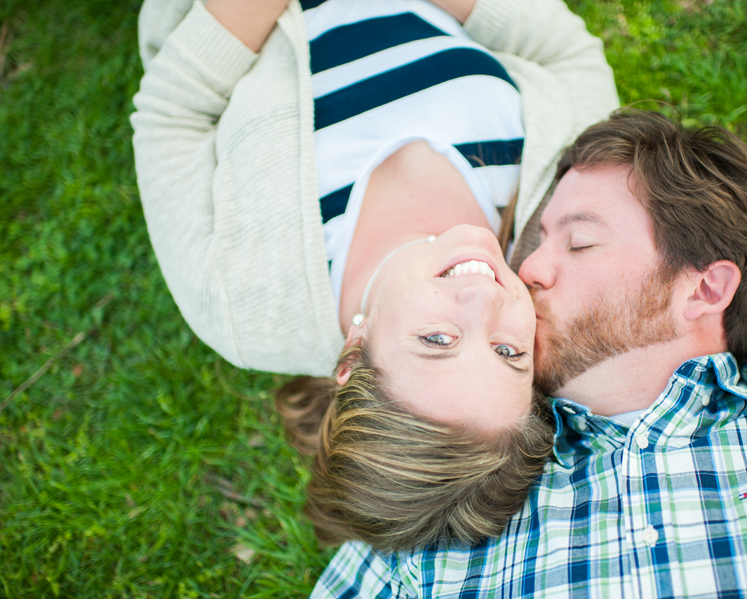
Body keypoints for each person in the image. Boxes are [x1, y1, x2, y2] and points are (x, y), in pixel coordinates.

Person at [313, 110, 747, 596]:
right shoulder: (454, 479)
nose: (527, 269)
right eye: (539, 239)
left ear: (705, 288)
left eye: (581, 242)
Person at [131, 0, 620, 550]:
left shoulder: (237, 304)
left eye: (438, 340)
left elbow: (172, 113)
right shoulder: (555, 210)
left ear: (353, 356)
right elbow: (567, 57)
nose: (484, 299)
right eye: (508, 352)